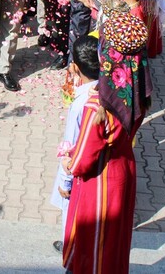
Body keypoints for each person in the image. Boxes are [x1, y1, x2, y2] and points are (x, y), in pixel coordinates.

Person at [62, 11, 152, 273]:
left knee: (94, 250)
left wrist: (69, 162)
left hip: (99, 185)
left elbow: (82, 160)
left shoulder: (97, 106)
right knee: (116, 244)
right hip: (124, 174)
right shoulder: (136, 93)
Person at [49, 35, 99, 254]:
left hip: (78, 169)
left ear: (76, 67)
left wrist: (64, 181)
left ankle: (69, 246)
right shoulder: (104, 90)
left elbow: (71, 146)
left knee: (71, 210)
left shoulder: (82, 104)